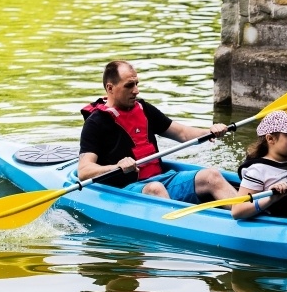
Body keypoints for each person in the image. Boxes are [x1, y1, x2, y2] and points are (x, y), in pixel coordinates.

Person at [78, 60, 237, 204]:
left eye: (136, 84)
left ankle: (246, 211)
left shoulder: (144, 109)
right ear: (110, 88)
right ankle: (181, 231)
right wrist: (116, 167)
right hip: (126, 191)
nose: (136, 91)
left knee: (211, 175)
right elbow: (84, 171)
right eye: (129, 85)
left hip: (163, 180)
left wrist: (211, 131)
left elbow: (182, 133)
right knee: (155, 188)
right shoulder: (95, 123)